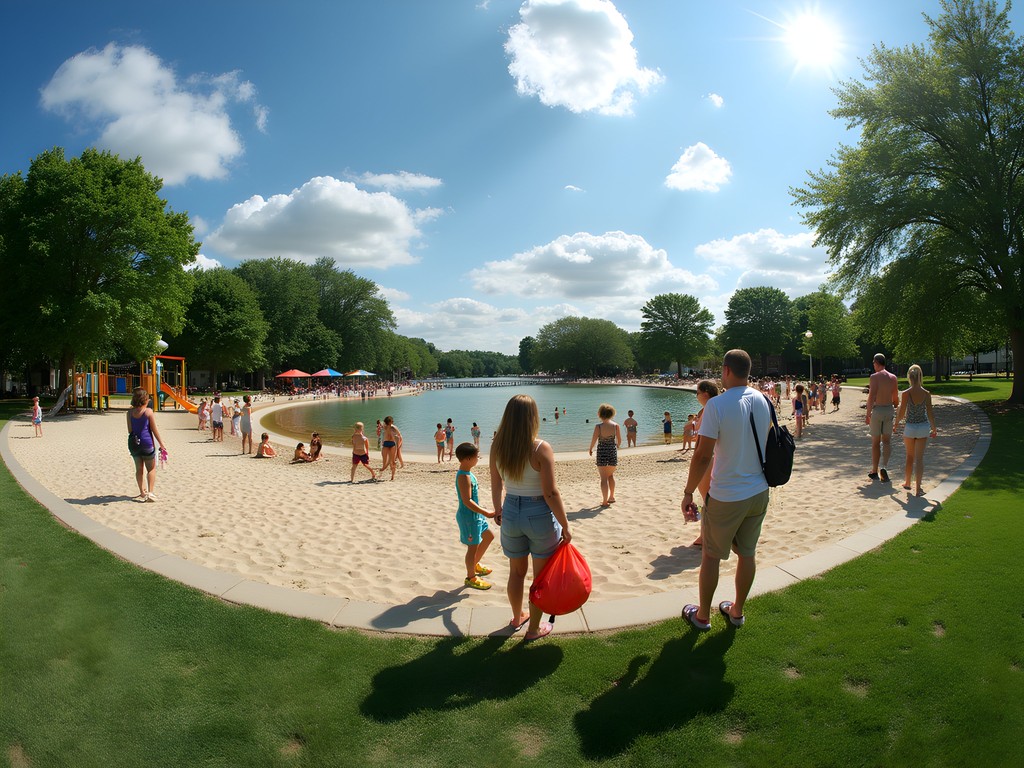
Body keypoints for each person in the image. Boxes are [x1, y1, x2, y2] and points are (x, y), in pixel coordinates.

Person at [680, 349, 771, 631]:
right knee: (747, 553)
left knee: (711, 555)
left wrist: (688, 491)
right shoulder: (763, 399)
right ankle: (737, 611)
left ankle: (703, 616)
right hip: (758, 490)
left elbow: (703, 455)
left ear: (726, 371)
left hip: (727, 494)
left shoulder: (718, 405)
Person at [490, 394, 571, 641]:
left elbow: (495, 484)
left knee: (516, 572)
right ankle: (533, 629)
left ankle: (517, 617)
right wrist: (566, 525)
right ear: (532, 417)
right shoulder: (540, 448)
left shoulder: (497, 446)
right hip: (538, 514)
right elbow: (550, 492)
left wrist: (498, 510)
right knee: (540, 576)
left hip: (511, 510)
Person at [454, 442, 496, 589]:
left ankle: (474, 565)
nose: (478, 459)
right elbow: (467, 501)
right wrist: (486, 512)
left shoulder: (469, 473)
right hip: (469, 517)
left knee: (489, 536)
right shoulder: (463, 477)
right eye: (476, 457)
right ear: (467, 459)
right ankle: (470, 577)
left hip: (477, 516)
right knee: (472, 547)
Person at [895, 364, 938, 496]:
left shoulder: (906, 393)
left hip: (910, 427)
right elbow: (930, 413)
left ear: (909, 377)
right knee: (919, 459)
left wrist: (895, 423)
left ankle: (907, 482)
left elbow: (902, 412)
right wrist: (934, 428)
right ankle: (918, 488)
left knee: (909, 456)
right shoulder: (926, 393)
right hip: (923, 427)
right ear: (920, 376)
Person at [690, 379, 721, 548]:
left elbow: (703, 439)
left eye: (697, 393)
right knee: (708, 499)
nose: (696, 396)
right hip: (714, 456)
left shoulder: (709, 409)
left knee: (707, 499)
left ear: (705, 394)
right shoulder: (712, 408)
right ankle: (706, 533)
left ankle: (705, 535)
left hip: (709, 458)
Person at [127, 387, 166, 502]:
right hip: (147, 443)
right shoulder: (148, 412)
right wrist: (162, 444)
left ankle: (142, 492)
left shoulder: (129, 413)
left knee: (139, 469)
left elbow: (130, 430)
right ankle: (150, 492)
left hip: (134, 444)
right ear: (145, 399)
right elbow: (154, 430)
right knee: (151, 469)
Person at [866, 353, 900, 482]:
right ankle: (884, 466)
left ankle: (874, 470)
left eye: (873, 363)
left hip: (878, 409)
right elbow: (895, 398)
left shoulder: (874, 377)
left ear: (876, 362)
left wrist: (868, 414)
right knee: (886, 441)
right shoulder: (893, 377)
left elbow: (871, 396)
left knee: (875, 442)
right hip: (888, 409)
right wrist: (895, 406)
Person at [588, 403, 622, 506]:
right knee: (610, 475)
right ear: (612, 414)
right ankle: (611, 496)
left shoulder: (599, 426)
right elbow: (619, 441)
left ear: (599, 414)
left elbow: (594, 440)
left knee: (603, 478)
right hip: (612, 451)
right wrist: (616, 446)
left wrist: (590, 449)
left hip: (602, 452)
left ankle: (604, 501)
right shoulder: (616, 426)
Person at [380, 416, 401, 480]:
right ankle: (384, 468)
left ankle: (392, 476)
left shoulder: (394, 427)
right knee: (384, 459)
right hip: (385, 443)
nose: (393, 422)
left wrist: (395, 436)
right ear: (388, 422)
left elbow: (399, 434)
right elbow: (380, 424)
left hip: (392, 444)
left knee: (393, 461)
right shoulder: (385, 427)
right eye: (391, 421)